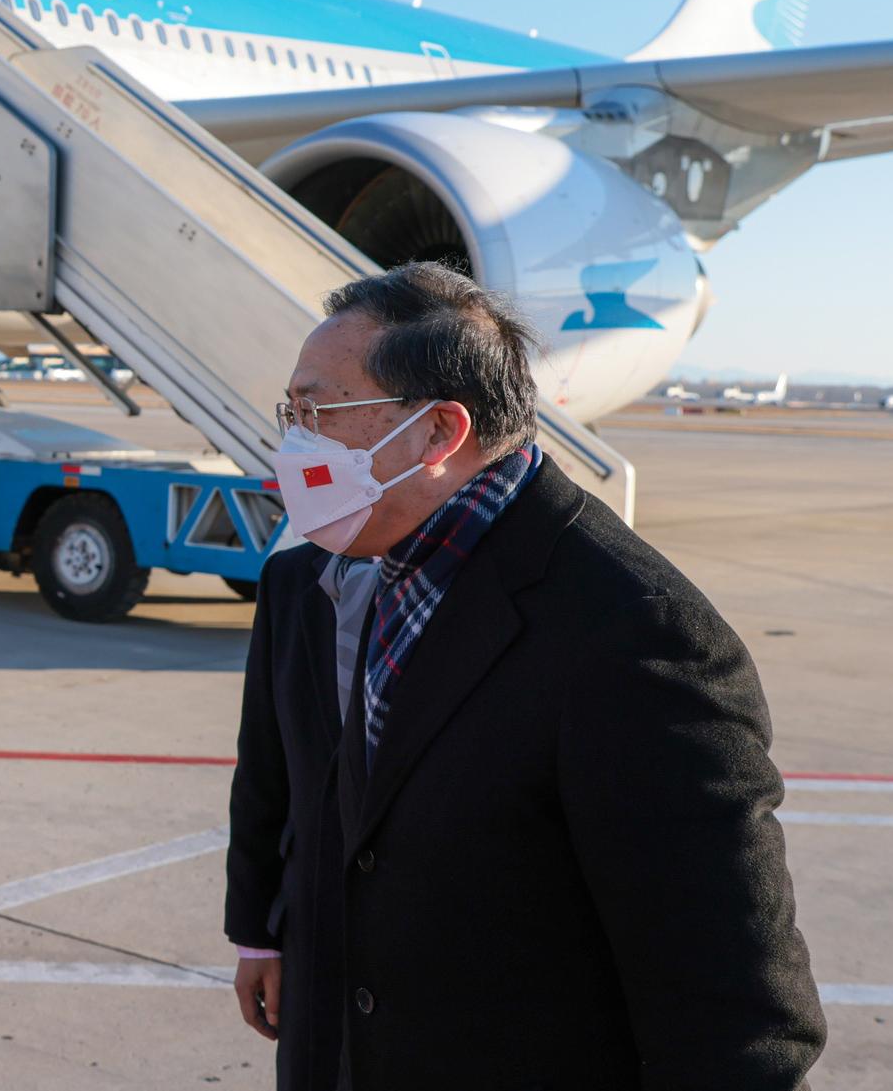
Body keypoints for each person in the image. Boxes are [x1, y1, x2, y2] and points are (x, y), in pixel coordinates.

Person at [225, 262, 826, 1090]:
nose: (296, 441)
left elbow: (732, 1002)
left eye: (319, 413)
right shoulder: (321, 573)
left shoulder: (633, 632)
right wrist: (263, 932)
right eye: (291, 414)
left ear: (438, 433)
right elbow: (282, 778)